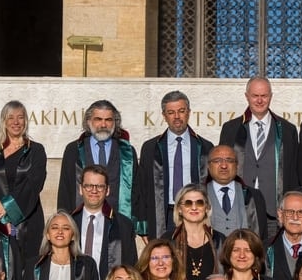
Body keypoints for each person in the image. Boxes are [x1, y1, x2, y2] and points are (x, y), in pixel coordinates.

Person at [219, 76, 299, 237]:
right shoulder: (231, 129)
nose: (260, 100)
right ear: (247, 96)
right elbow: (222, 170)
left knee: (269, 260)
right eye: (255, 96)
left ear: (271, 96)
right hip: (239, 211)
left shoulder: (287, 130)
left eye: (264, 96)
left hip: (274, 215)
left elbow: (293, 172)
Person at [134, 91, 215, 240]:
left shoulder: (204, 147)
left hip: (194, 212)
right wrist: (143, 227)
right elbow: (142, 188)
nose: (177, 117)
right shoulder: (150, 148)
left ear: (189, 113)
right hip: (163, 215)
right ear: (164, 116)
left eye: (181, 111)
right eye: (171, 112)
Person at [58, 100, 142, 233]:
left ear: (115, 123)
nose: (103, 124)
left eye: (108, 120)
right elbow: (65, 189)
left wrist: (139, 225)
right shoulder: (73, 150)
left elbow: (137, 191)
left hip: (118, 224)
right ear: (88, 121)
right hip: (82, 222)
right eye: (98, 119)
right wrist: (64, 222)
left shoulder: (127, 152)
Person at [0, 100, 47, 264]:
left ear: (26, 121)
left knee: (28, 269)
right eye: (11, 118)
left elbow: (34, 184)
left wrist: (8, 206)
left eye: (20, 117)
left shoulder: (36, 151)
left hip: (29, 220)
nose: (16, 122)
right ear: (4, 121)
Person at [164, 184, 225, 280]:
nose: (194, 207)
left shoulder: (219, 240)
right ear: (179, 209)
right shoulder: (168, 240)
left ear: (207, 208)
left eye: (199, 202)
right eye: (188, 203)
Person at [72, 165, 138, 280]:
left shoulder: (124, 225)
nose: (94, 190)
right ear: (80, 189)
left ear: (107, 190)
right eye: (88, 186)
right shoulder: (69, 223)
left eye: (100, 186)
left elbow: (131, 268)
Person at [205, 144, 269, 242]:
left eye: (229, 160)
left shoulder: (254, 196)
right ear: (208, 166)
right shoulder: (198, 195)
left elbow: (263, 236)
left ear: (237, 166)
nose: (223, 166)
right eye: (217, 161)